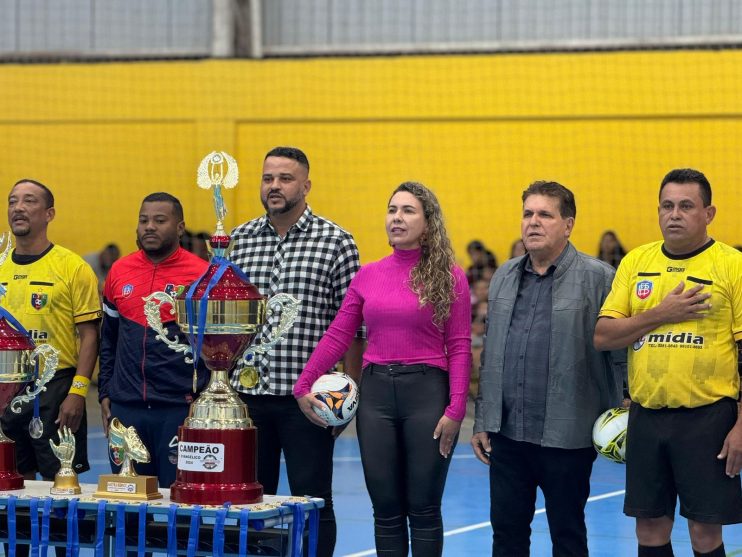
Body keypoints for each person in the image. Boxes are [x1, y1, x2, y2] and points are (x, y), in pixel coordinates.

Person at [294, 181, 471, 556]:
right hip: (375, 397)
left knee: (423, 508)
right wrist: (304, 384)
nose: (397, 217)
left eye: (408, 210)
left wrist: (456, 409)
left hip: (427, 395)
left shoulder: (449, 276)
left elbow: (458, 346)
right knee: (386, 510)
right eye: (392, 210)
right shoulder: (368, 275)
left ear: (428, 222)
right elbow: (338, 335)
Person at [471, 180, 625, 557]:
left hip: (567, 437)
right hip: (508, 435)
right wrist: (482, 420)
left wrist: (625, 407)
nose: (533, 222)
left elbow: (619, 353)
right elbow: (492, 354)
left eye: (544, 214)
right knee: (506, 535)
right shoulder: (504, 275)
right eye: (528, 214)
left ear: (568, 224)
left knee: (567, 535)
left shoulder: (599, 277)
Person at [594, 168, 742, 557]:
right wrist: (662, 312)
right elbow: (604, 335)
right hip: (646, 417)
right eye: (667, 205)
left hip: (709, 419)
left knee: (705, 534)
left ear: (708, 213)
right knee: (649, 528)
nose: (674, 214)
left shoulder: (732, 265)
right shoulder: (635, 261)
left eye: (686, 206)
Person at [228, 146, 363, 557]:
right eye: (268, 178)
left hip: (306, 401)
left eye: (285, 179)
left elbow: (354, 328)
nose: (274, 186)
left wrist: (349, 399)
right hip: (246, 399)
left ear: (305, 185)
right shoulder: (238, 240)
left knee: (314, 500)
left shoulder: (337, 242)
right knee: (249, 501)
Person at [98, 192, 209, 487]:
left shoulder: (200, 274)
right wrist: (106, 392)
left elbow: (213, 344)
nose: (149, 227)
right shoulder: (119, 271)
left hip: (179, 408)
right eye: (144, 220)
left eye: (160, 220)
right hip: (126, 408)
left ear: (180, 227)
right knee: (130, 505)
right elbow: (108, 339)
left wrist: (202, 398)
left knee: (181, 502)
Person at [0, 179, 100, 482]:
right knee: (13, 479)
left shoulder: (73, 267)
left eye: (29, 201)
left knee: (62, 482)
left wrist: (78, 393)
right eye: (13, 200)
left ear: (49, 214)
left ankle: (66, 531)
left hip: (55, 388)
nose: (18, 207)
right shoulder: (0, 264)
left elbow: (90, 336)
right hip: (7, 387)